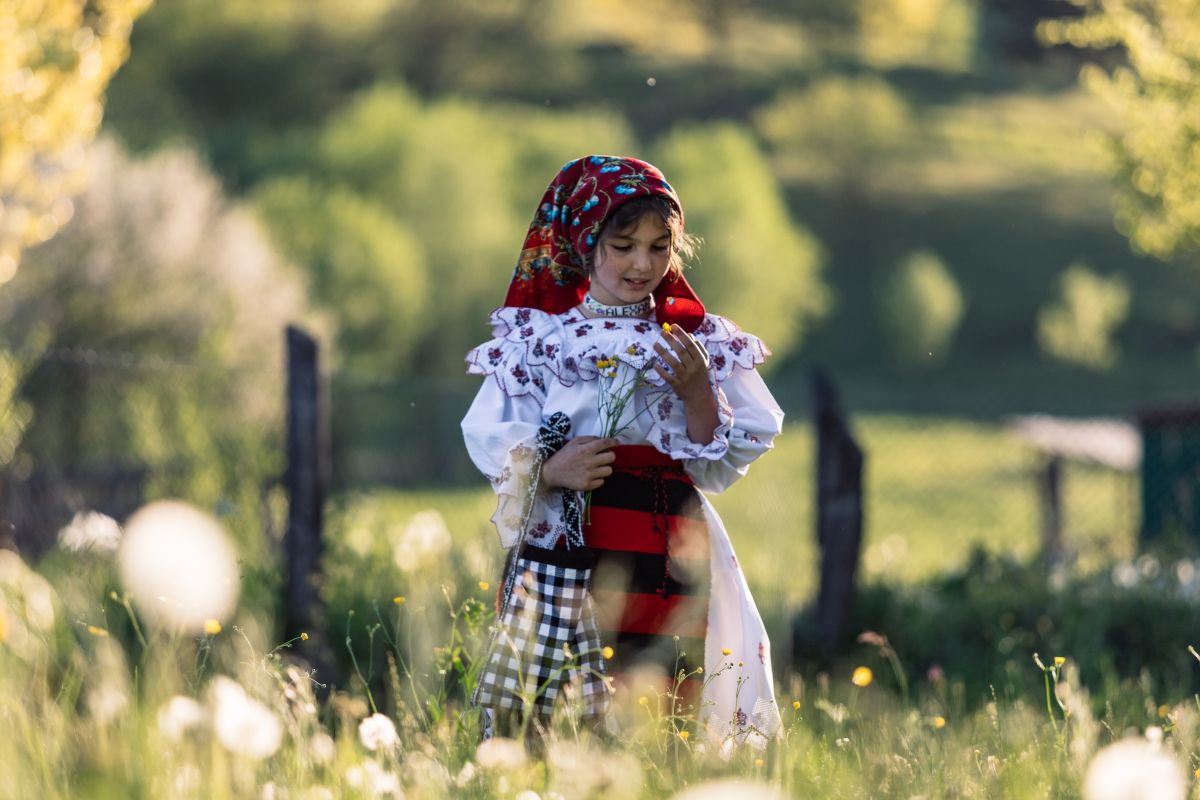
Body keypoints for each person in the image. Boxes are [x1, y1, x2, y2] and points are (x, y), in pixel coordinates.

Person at [462, 155, 784, 745]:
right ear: (585, 244)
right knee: (553, 701)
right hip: (568, 545)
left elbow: (733, 445)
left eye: (661, 247)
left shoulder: (696, 340)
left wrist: (695, 393)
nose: (643, 263)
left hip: (668, 546)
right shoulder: (544, 341)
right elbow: (488, 432)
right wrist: (548, 468)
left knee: (662, 697)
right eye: (624, 245)